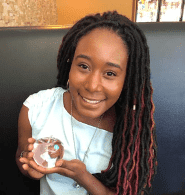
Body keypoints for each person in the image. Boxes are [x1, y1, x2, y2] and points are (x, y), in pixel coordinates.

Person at [16, 10, 158, 195]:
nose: (92, 86)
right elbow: (21, 156)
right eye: (83, 66)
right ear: (70, 63)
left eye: (110, 73)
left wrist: (83, 177)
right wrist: (29, 167)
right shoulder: (36, 109)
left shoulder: (132, 129)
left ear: (127, 78)